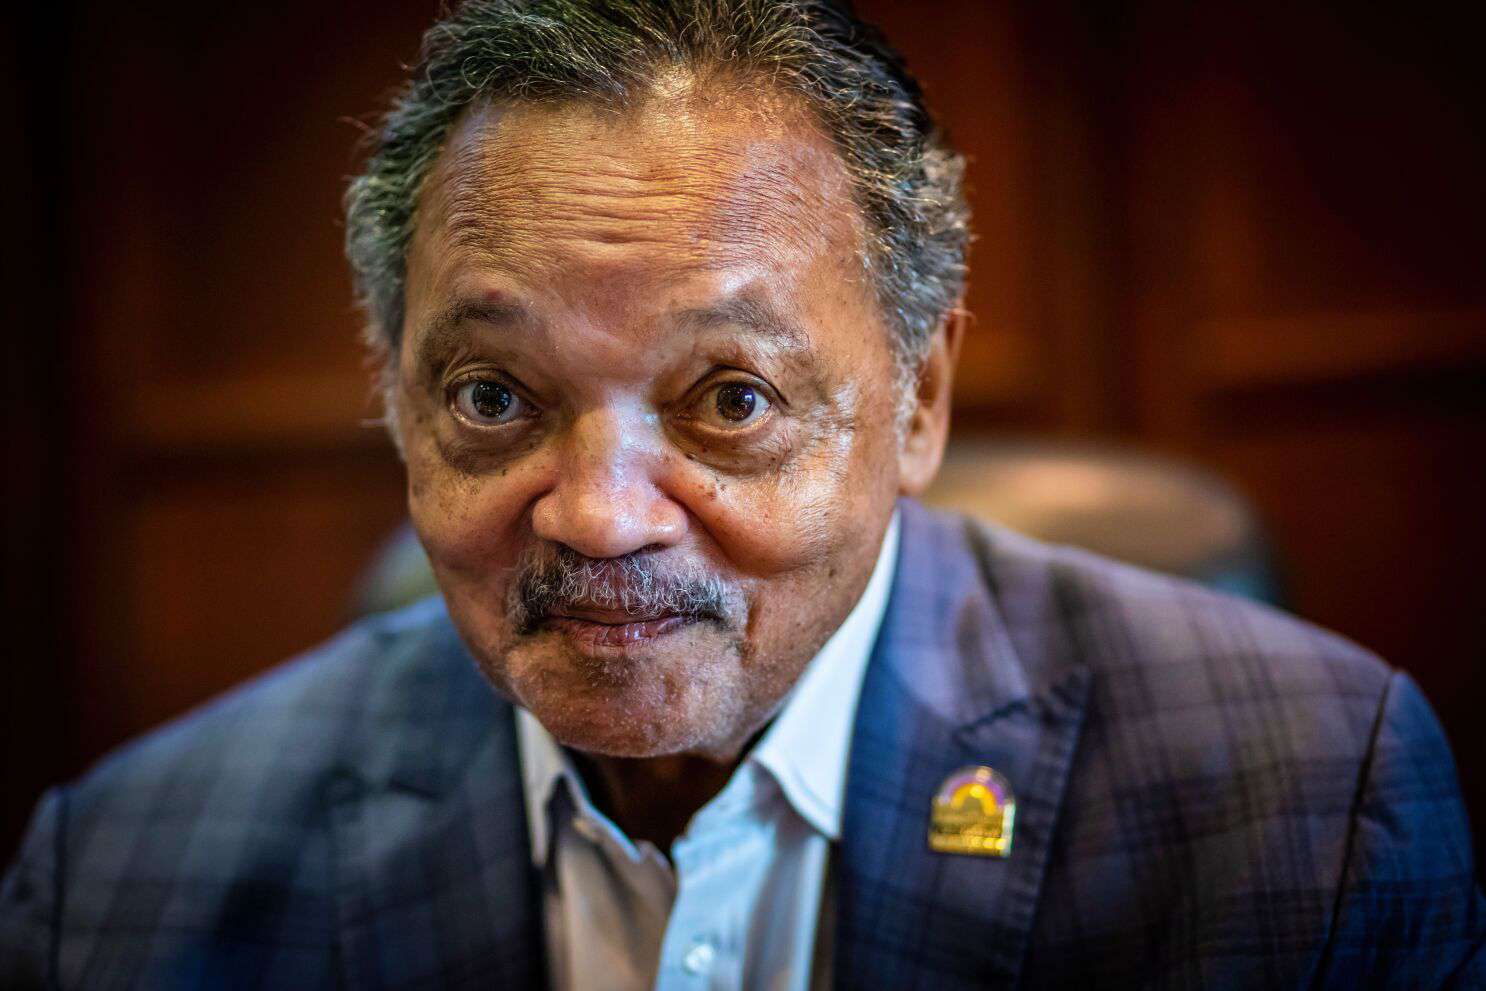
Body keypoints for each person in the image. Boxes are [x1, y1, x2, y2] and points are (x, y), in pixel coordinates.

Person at [2, 0, 1481, 986]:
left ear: (917, 401)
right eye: (494, 398)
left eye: (732, 401)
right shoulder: (125, 885)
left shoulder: (1302, 804)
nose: (601, 516)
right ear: (395, 398)